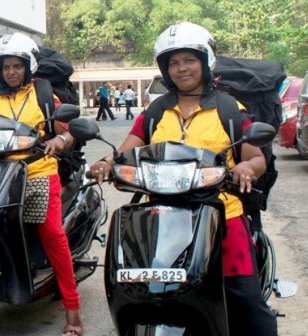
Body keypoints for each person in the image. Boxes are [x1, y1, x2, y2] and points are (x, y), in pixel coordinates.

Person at [90, 22, 277, 336]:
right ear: (165, 69)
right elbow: (126, 151)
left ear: (205, 62)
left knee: (246, 299)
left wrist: (246, 169)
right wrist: (105, 163)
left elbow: (256, 157)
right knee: (134, 283)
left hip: (219, 210)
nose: (181, 68)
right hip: (159, 212)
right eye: (173, 62)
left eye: (189, 60)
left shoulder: (230, 109)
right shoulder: (155, 112)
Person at [0, 32, 83, 336]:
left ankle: (73, 310)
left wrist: (61, 138)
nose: (11, 72)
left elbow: (70, 129)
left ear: (28, 66)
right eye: (5, 66)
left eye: (17, 66)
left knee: (51, 233)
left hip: (37, 170)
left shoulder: (46, 95)